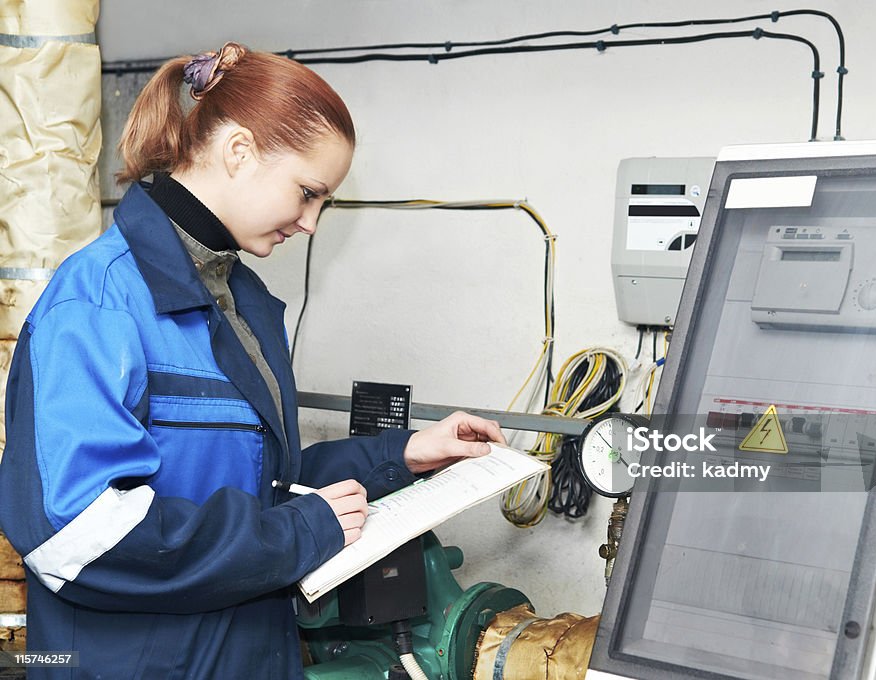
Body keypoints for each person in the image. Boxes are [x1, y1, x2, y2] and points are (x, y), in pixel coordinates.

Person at [0, 42, 506, 679]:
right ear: (238, 152)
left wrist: (398, 456)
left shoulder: (244, 302)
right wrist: (299, 534)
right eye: (307, 192)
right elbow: (76, 534)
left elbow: (262, 486)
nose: (312, 223)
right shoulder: (99, 303)